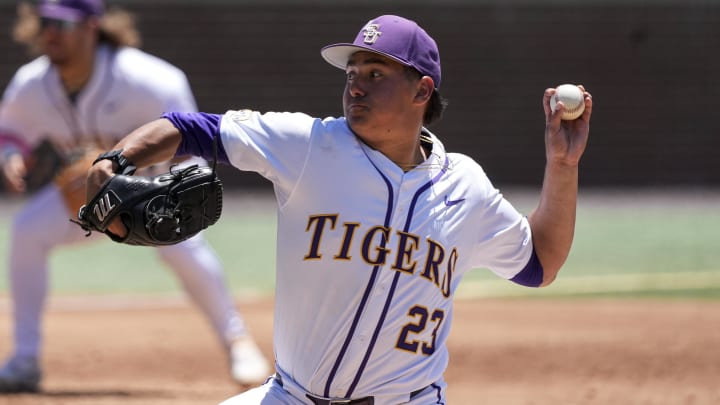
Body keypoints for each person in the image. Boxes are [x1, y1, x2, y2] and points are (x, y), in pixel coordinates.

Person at [86, 14, 592, 405]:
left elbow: (539, 263)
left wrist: (562, 165)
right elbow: (192, 128)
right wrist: (114, 161)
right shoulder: (310, 144)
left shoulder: (465, 185)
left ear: (422, 90)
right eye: (352, 72)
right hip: (290, 395)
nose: (356, 85)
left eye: (376, 73)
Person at [0, 0, 270, 393]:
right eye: (44, 22)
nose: (51, 32)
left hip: (154, 195)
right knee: (26, 231)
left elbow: (193, 143)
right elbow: (10, 130)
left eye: (62, 23)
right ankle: (24, 360)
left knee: (184, 248)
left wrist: (161, 186)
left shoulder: (149, 80)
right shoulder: (33, 83)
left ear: (92, 27)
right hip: (84, 199)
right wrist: (10, 157)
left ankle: (237, 341)